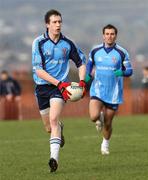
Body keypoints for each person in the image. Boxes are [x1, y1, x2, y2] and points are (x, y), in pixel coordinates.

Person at [32, 9, 86, 172]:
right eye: (54, 22)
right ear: (47, 24)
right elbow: (38, 70)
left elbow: (81, 64)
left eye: (60, 22)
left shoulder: (68, 44)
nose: (58, 25)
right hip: (42, 87)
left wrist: (82, 82)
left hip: (60, 88)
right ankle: (59, 129)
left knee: (54, 119)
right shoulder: (39, 43)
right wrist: (59, 83)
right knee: (49, 127)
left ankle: (53, 159)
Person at [86, 24, 133, 155]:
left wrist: (121, 73)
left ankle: (105, 144)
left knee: (108, 123)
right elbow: (89, 65)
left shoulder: (122, 52)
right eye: (107, 34)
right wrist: (87, 78)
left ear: (115, 36)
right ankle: (98, 117)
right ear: (103, 35)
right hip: (98, 90)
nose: (109, 36)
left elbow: (129, 70)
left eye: (112, 34)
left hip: (114, 93)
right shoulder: (95, 51)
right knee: (93, 116)